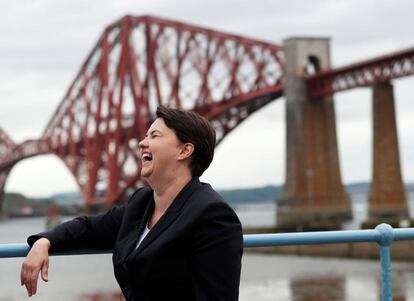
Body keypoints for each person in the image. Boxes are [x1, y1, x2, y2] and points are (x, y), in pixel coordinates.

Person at [20, 106, 243, 301]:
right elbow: (88, 228)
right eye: (146, 136)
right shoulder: (142, 203)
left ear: (185, 150)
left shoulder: (212, 216)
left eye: (155, 136)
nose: (142, 143)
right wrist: (44, 241)